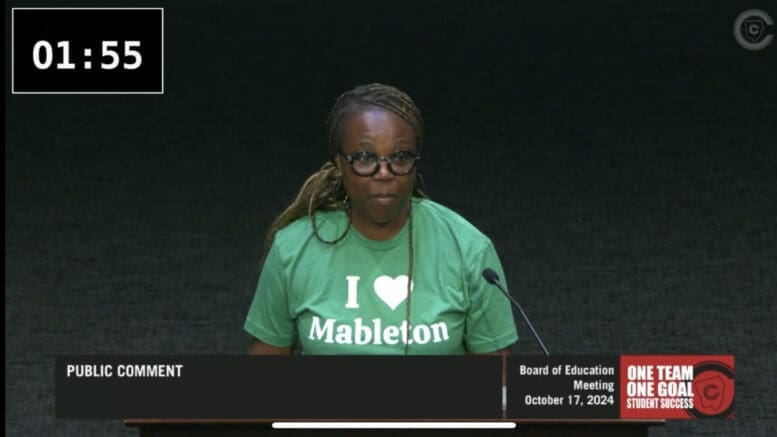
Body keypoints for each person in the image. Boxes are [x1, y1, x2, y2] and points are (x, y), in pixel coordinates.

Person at [244, 83, 518, 355]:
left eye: (400, 157)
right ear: (339, 163)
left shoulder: (469, 251)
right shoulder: (294, 248)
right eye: (365, 158)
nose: (384, 173)